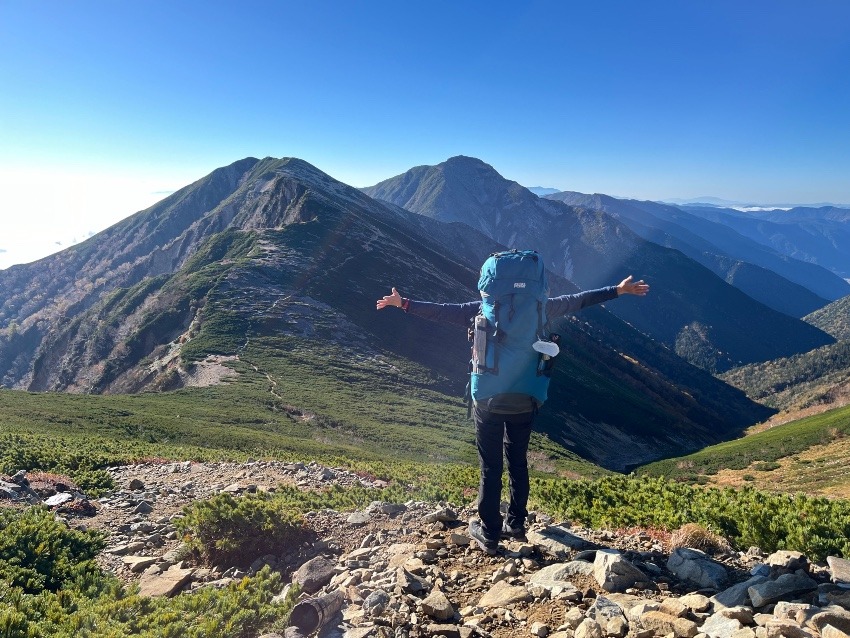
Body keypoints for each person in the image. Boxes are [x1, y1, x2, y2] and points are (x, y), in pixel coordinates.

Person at [376, 262, 649, 554]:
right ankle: (516, 524)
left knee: (490, 466)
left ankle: (490, 533)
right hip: (526, 396)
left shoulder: (482, 308)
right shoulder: (540, 308)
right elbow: (579, 300)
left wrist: (403, 303)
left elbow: (442, 310)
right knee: (517, 460)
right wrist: (618, 291)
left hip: (489, 398)